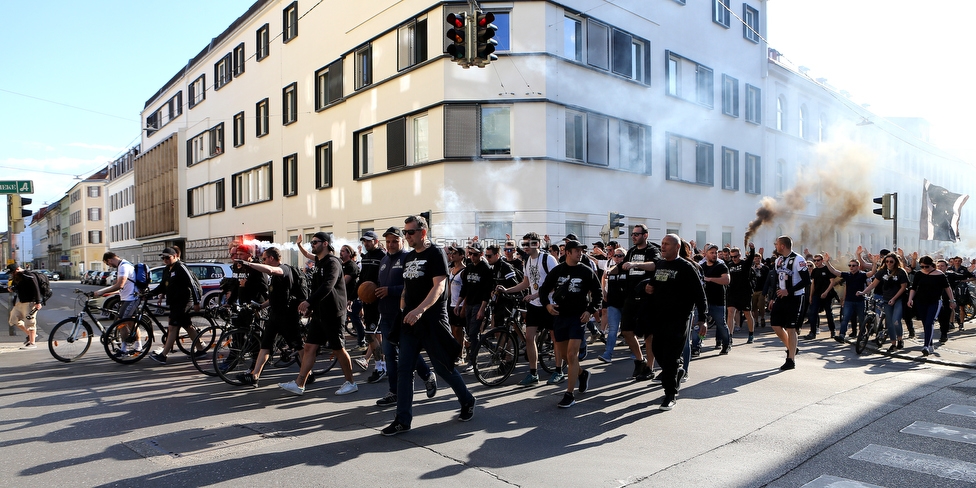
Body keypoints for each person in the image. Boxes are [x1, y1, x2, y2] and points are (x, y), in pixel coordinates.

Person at [382, 215, 476, 436]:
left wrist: (420, 310)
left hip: (432, 320)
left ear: (422, 232)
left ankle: (467, 399)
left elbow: (439, 287)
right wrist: (405, 309)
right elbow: (406, 288)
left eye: (410, 232)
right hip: (410, 321)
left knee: (443, 368)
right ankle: (402, 420)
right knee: (404, 369)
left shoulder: (435, 254)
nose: (406, 236)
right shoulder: (407, 258)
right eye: (405, 232)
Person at [280, 233, 358, 396]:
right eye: (312, 242)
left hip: (333, 313)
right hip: (320, 312)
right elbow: (316, 287)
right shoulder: (319, 262)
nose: (312, 245)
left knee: (338, 348)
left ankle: (351, 382)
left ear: (325, 244)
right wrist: (311, 307)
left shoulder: (332, 262)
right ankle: (299, 383)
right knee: (309, 347)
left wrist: (309, 301)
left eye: (315, 242)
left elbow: (328, 285)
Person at [637, 235, 707, 410]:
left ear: (677, 247)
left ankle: (670, 394)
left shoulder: (686, 267)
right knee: (657, 351)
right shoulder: (660, 265)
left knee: (671, 356)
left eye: (666, 244)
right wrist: (647, 288)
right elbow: (652, 284)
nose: (663, 247)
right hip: (659, 318)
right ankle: (677, 372)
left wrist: (703, 320)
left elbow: (700, 294)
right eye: (662, 244)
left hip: (678, 319)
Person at [374, 226, 436, 407]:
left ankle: (426, 374)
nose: (391, 244)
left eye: (395, 241)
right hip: (385, 316)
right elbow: (379, 286)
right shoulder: (384, 260)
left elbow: (414, 287)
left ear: (402, 241)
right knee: (389, 354)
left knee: (407, 352)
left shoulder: (408, 258)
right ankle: (393, 392)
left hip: (403, 315)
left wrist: (390, 291)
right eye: (388, 241)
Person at [538, 240, 602, 408]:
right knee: (565, 355)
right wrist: (547, 305)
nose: (580, 253)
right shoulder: (558, 270)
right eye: (576, 250)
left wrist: (590, 310)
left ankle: (569, 394)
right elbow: (544, 289)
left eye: (581, 250)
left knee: (572, 355)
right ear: (567, 252)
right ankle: (582, 374)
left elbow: (598, 293)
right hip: (560, 316)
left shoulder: (586, 271)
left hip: (577, 317)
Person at [232, 247, 304, 387]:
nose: (263, 261)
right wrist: (260, 306)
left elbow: (271, 270)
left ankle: (308, 372)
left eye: (264, 259)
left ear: (272, 258)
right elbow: (274, 298)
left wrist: (248, 264)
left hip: (287, 316)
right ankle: (254, 376)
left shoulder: (283, 269)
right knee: (265, 345)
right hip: (275, 315)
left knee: (298, 346)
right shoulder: (274, 277)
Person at [496, 232, 560, 386]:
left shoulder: (548, 259)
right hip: (535, 305)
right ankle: (533, 373)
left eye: (528, 244)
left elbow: (556, 283)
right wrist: (507, 290)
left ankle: (559, 371)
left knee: (555, 338)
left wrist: (535, 295)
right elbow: (525, 283)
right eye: (523, 244)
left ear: (537, 244)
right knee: (529, 337)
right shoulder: (527, 262)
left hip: (550, 303)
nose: (524, 247)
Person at [618, 224, 661, 378]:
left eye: (637, 234)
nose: (634, 236)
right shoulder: (631, 251)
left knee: (649, 335)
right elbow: (621, 267)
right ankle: (639, 360)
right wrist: (609, 272)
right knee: (626, 331)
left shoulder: (652, 250)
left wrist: (636, 264)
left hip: (647, 298)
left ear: (645, 235)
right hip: (631, 297)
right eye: (633, 234)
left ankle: (649, 368)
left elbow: (655, 264)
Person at [147, 247, 202, 363]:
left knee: (172, 328)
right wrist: (149, 294)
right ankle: (201, 350)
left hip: (184, 302)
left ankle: (163, 355)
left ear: (175, 256)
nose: (165, 260)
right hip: (174, 302)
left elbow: (193, 285)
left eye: (168, 257)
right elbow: (163, 286)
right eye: (163, 258)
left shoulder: (181, 267)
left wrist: (197, 302)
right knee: (188, 326)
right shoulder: (167, 270)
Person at [768, 236, 809, 371]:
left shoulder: (799, 259)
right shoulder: (778, 260)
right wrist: (773, 298)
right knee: (775, 324)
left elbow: (806, 281)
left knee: (791, 328)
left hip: (795, 298)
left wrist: (789, 291)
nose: (775, 245)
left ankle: (790, 359)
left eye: (777, 244)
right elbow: (777, 282)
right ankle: (792, 348)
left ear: (782, 246)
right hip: (781, 297)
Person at [94, 253, 142, 356]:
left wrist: (101, 292)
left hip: (131, 298)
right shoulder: (123, 265)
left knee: (122, 322)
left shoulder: (124, 266)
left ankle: (126, 349)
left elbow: (120, 285)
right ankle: (135, 347)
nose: (109, 266)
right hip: (127, 298)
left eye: (108, 263)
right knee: (129, 322)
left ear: (110, 260)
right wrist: (103, 291)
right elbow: (117, 284)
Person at [908, 256, 955, 356]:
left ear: (931, 265)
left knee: (930, 322)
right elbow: (913, 288)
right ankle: (930, 344)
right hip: (921, 301)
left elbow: (947, 288)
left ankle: (926, 346)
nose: (924, 268)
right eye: (922, 266)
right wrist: (910, 299)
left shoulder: (940, 275)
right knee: (925, 323)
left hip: (935, 302)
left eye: (926, 266)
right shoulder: (919, 274)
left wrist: (952, 300)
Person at [862, 253, 909, 353]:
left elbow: (903, 287)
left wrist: (894, 298)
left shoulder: (901, 272)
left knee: (896, 320)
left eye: (891, 261)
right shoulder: (882, 271)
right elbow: (874, 284)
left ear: (896, 262)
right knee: (890, 323)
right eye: (887, 261)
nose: (889, 263)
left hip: (898, 299)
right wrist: (863, 292)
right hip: (886, 299)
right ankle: (893, 344)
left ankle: (900, 339)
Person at [456, 241, 493, 371]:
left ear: (481, 254)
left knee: (473, 333)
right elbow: (464, 288)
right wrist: (458, 304)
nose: (472, 257)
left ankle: (473, 360)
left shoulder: (486, 269)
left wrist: (482, 309)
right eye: (470, 254)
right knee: (470, 332)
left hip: (479, 304)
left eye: (475, 254)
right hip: (469, 304)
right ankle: (488, 344)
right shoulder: (469, 268)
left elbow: (486, 292)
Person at [822, 253, 870, 342]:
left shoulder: (862, 275)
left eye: (853, 266)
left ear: (858, 267)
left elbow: (872, 273)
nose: (851, 267)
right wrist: (827, 262)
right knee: (845, 319)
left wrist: (874, 263)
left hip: (860, 301)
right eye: (850, 265)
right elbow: (834, 271)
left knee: (862, 319)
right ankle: (841, 335)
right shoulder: (847, 275)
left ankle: (862, 335)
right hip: (849, 301)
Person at [598, 248, 628, 363]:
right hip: (613, 303)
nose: (617, 258)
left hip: (626, 304)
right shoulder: (610, 268)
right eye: (615, 255)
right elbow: (604, 276)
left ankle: (637, 355)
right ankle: (608, 354)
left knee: (628, 331)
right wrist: (603, 291)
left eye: (620, 256)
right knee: (612, 329)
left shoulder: (628, 268)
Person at [700, 244, 731, 354]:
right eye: (712, 252)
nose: (714, 255)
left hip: (718, 301)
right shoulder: (702, 266)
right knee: (701, 325)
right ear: (706, 254)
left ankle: (726, 344)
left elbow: (726, 280)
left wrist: (710, 279)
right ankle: (698, 344)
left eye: (716, 253)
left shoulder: (721, 266)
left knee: (721, 324)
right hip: (704, 301)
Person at [725, 244, 758, 344]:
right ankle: (729, 336)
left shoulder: (745, 264)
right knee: (730, 313)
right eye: (732, 257)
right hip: (732, 293)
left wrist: (752, 249)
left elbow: (751, 257)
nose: (734, 259)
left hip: (744, 293)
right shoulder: (729, 265)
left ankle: (751, 334)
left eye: (735, 256)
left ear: (739, 255)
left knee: (747, 313)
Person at [7, 264, 44, 349]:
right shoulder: (17, 277)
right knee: (13, 319)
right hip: (21, 302)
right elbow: (17, 287)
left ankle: (32, 343)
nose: (12, 274)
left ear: (17, 269)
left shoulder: (28, 275)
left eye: (12, 272)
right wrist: (12, 288)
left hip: (31, 302)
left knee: (30, 322)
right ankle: (31, 335)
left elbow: (36, 288)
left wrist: (38, 302)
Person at [805, 254, 840, 340]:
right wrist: (811, 296)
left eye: (818, 260)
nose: (816, 262)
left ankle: (833, 331)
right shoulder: (814, 271)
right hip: (816, 295)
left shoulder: (827, 269)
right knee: (813, 313)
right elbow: (813, 283)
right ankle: (812, 332)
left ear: (822, 260)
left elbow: (832, 282)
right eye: (815, 260)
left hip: (827, 295)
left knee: (829, 313)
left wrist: (826, 292)